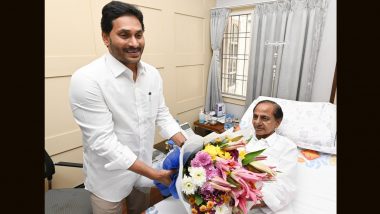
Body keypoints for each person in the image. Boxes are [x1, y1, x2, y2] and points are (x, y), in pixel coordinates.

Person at [69, 1, 186, 213]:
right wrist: (155, 174)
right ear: (106, 37)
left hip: (143, 170)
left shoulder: (151, 74)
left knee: (139, 210)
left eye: (138, 35)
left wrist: (188, 147)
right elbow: (103, 142)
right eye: (124, 35)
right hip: (108, 178)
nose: (134, 43)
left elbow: (161, 113)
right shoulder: (87, 79)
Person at [245, 100, 298, 214]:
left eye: (265, 118)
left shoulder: (287, 147)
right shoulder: (242, 139)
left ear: (277, 123)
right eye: (255, 117)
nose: (257, 122)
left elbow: (285, 189)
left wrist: (243, 202)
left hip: (263, 207)